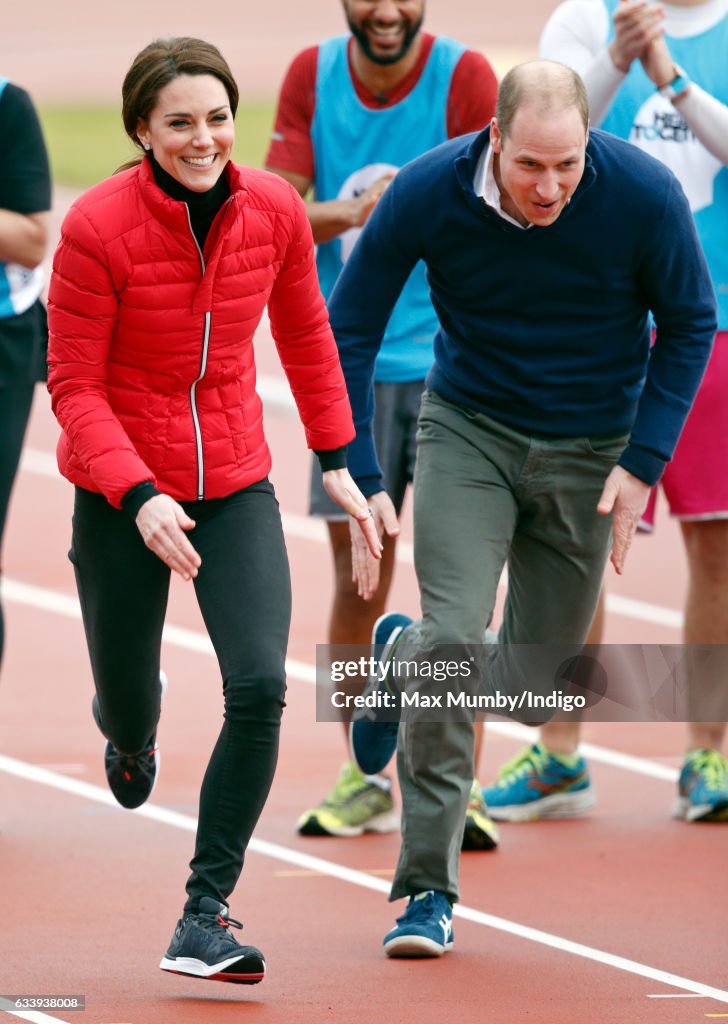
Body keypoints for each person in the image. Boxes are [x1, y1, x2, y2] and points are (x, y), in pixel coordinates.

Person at [326, 60, 716, 957]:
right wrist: (351, 458)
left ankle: (401, 662)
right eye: (531, 166)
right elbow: (351, 323)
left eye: (569, 167)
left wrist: (643, 463)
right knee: (455, 638)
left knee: (542, 684)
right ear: (492, 140)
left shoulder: (643, 196)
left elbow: (691, 321)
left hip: (591, 453)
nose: (550, 188)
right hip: (471, 431)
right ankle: (427, 891)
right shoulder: (427, 190)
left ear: (590, 147)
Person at [47, 37, 379, 985]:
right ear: (143, 131)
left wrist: (339, 461)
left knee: (262, 686)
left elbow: (308, 331)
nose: (205, 139)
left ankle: (205, 911)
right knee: (129, 694)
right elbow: (70, 382)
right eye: (181, 122)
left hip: (235, 481)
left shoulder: (272, 207)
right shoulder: (95, 228)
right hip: (122, 496)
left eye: (219, 118)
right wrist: (139, 491)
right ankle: (129, 738)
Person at [483, 0, 728, 825]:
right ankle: (559, 753)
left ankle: (708, 755)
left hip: (713, 319)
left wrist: (671, 75)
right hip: (595, 320)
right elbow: (535, 132)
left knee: (719, 550)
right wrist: (621, 59)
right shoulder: (584, 22)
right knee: (570, 546)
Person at [264, 0, 500, 847]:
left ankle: (456, 780)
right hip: (349, 368)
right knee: (356, 581)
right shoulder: (311, 75)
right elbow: (277, 217)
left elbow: (501, 216)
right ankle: (361, 774)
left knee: (458, 592)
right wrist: (374, 212)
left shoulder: (464, 77)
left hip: (455, 370)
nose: (387, 9)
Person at [0, 76, 50, 678]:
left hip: (4, 340)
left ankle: (362, 738)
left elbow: (36, 240)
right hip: (357, 378)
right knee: (359, 585)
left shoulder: (7, 104)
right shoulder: (318, 75)